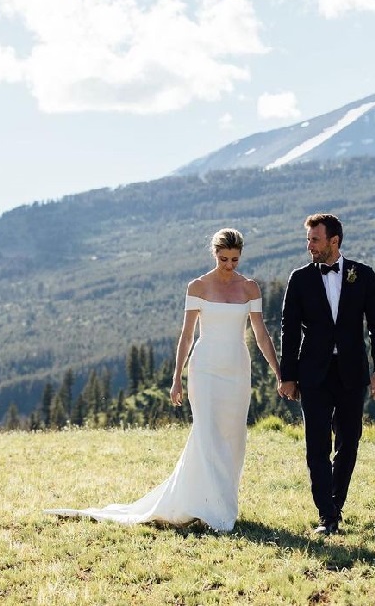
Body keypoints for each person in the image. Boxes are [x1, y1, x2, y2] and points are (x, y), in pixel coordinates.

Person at [45, 228, 281, 532]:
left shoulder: (250, 288)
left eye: (235, 259)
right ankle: (209, 510)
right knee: (206, 433)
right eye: (224, 259)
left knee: (233, 436)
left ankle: (222, 502)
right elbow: (186, 335)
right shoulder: (197, 286)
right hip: (205, 367)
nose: (229, 265)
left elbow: (260, 334)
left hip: (236, 367)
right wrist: (176, 377)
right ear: (214, 254)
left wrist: (278, 370)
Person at [279, 213, 375, 535]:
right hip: (313, 374)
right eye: (308, 239)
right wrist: (288, 375)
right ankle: (326, 516)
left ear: (334, 241)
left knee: (349, 443)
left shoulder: (363, 275)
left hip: (353, 373)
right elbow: (289, 329)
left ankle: (335, 505)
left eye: (315, 239)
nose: (309, 245)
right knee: (316, 445)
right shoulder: (299, 279)